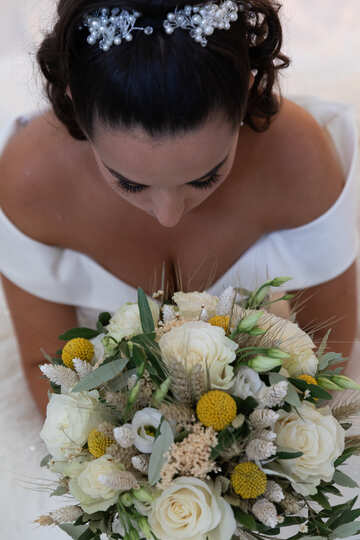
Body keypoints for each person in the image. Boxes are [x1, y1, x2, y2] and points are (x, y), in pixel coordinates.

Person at [0, 0, 358, 417]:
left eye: (206, 177)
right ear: (75, 102)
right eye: (129, 182)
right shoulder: (32, 182)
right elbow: (48, 375)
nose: (168, 214)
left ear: (246, 91)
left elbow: (328, 357)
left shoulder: (298, 160)